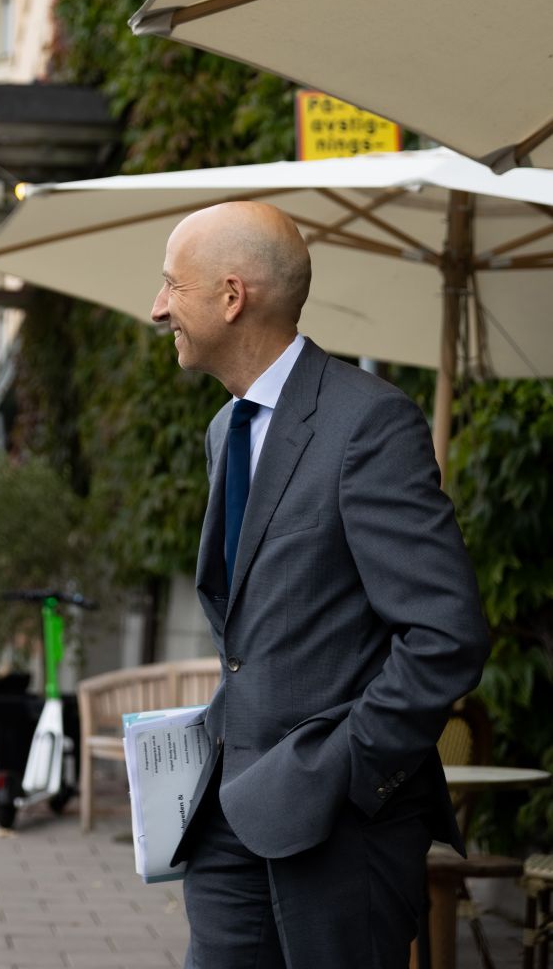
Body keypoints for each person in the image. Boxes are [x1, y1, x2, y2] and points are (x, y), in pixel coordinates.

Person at [150, 200, 489, 969]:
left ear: (233, 297)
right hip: (228, 811)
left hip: (340, 827)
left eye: (173, 284)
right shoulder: (223, 428)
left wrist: (348, 768)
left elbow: (445, 636)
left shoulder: (368, 424)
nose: (157, 305)